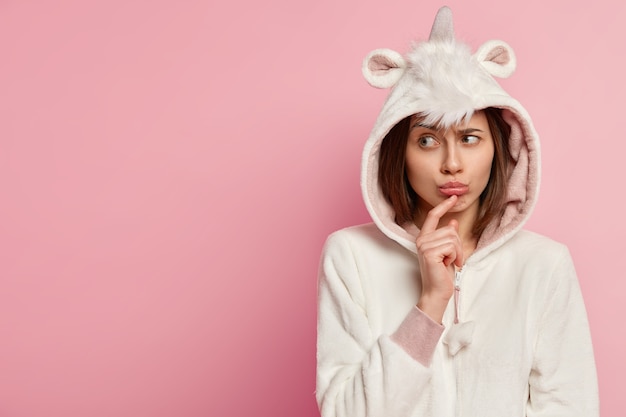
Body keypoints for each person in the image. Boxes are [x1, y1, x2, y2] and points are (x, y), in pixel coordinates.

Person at [316, 6, 598, 417]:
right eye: (427, 141)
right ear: (398, 151)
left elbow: (571, 407)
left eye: (469, 138)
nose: (452, 164)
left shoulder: (543, 265)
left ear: (498, 150)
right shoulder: (350, 256)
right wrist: (431, 302)